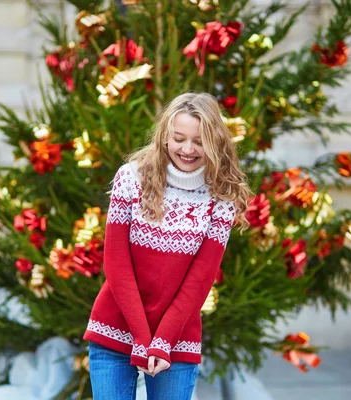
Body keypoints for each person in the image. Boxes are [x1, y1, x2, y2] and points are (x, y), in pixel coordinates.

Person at [83, 92, 251, 400]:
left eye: (199, 141)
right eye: (179, 138)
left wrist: (162, 340)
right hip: (115, 328)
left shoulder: (221, 198)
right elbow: (116, 264)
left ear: (215, 143)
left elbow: (200, 280)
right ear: (164, 138)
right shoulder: (131, 179)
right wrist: (142, 336)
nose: (188, 149)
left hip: (176, 338)